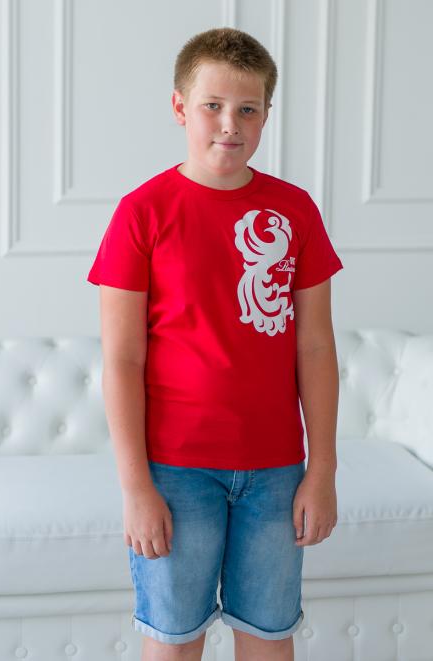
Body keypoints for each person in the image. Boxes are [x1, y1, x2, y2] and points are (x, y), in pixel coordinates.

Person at [87, 26, 343, 661]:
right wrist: (136, 488)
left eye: (248, 109)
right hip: (175, 472)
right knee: (173, 643)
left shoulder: (295, 211)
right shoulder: (141, 213)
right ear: (180, 107)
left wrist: (322, 470)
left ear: (266, 115)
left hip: (276, 472)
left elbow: (315, 348)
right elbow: (121, 359)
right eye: (213, 106)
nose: (231, 124)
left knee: (270, 640)